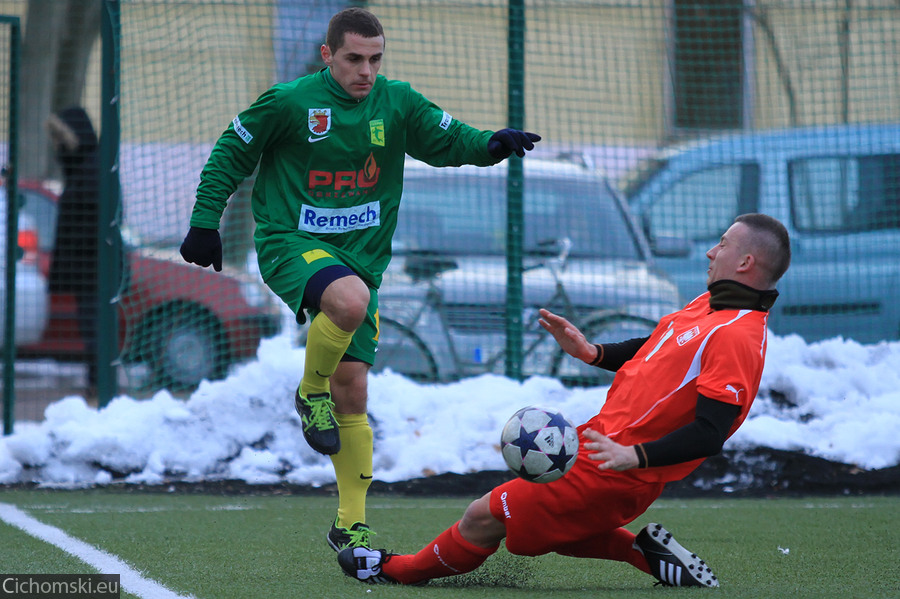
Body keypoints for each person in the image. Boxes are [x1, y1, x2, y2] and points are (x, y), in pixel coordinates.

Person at [179, 7, 540, 552]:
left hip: (361, 261)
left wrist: (491, 145)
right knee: (348, 303)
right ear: (328, 55)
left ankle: (350, 522)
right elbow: (231, 152)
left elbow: (449, 139)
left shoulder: (396, 102)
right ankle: (309, 390)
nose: (365, 71)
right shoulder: (290, 102)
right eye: (353, 58)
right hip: (289, 242)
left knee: (354, 392)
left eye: (375, 59)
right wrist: (206, 221)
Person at [338, 213, 791, 588]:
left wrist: (633, 455)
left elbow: (711, 433)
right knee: (540, 526)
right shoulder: (710, 306)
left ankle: (395, 569)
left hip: (616, 470)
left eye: (723, 243)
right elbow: (658, 346)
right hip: (597, 444)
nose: (712, 251)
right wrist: (591, 352)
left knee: (485, 516)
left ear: (747, 261)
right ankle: (645, 554)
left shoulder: (738, 335)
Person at [46, 106, 101, 393]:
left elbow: (94, 224)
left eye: (61, 138)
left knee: (95, 329)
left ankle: (99, 387)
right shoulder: (84, 168)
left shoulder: (92, 171)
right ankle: (97, 384)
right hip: (88, 270)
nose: (58, 147)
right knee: (91, 327)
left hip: (93, 271)